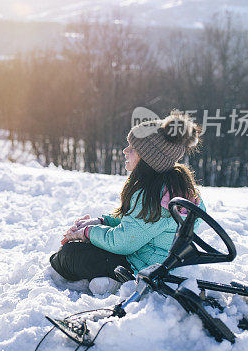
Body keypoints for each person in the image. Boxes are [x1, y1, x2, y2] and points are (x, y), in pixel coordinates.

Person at [49, 110, 205, 293]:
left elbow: (123, 242)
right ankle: (112, 279)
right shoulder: (175, 187)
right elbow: (136, 224)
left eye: (132, 149)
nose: (125, 151)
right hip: (157, 260)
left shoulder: (154, 197)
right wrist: (102, 222)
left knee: (69, 255)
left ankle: (123, 283)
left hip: (141, 267)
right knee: (79, 248)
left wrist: (88, 233)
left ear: (148, 158)